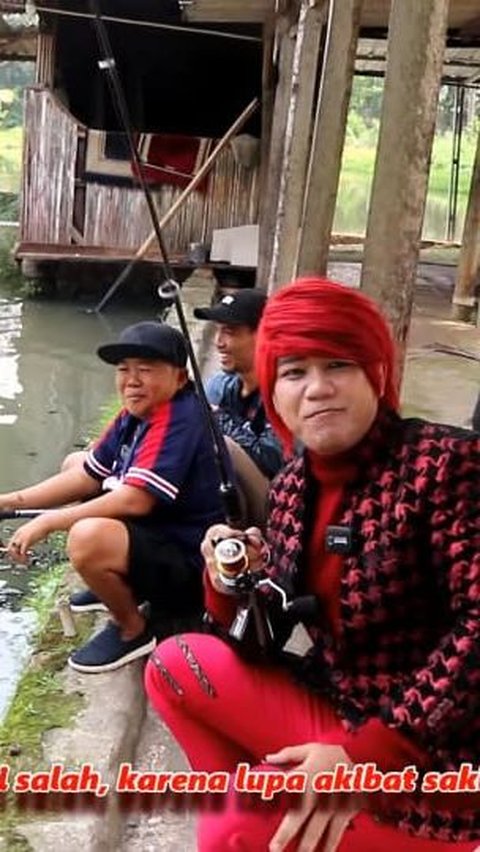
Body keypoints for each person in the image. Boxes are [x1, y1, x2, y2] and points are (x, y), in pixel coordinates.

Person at [145, 278, 480, 851]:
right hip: (340, 709)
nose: (318, 388)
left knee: (235, 829)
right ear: (273, 390)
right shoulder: (293, 486)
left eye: (339, 365)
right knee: (174, 665)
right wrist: (227, 582)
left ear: (376, 373)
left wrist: (360, 760)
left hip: (436, 755)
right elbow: (264, 636)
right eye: (295, 371)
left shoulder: (449, 465)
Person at [1, 321, 227, 673]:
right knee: (74, 462)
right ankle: (124, 585)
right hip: (159, 538)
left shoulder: (178, 418)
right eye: (124, 370)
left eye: (146, 370)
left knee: (87, 537)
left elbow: (136, 501)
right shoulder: (137, 412)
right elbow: (88, 473)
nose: (131, 380)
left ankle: (132, 628)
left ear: (180, 377)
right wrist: (10, 500)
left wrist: (46, 521)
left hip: (190, 568)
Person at [194, 288, 283, 526]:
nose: (218, 343)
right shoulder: (220, 385)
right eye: (218, 331)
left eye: (229, 332)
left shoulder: (284, 393)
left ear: (263, 335)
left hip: (275, 509)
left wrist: (219, 419)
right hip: (227, 497)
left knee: (222, 447)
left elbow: (272, 461)